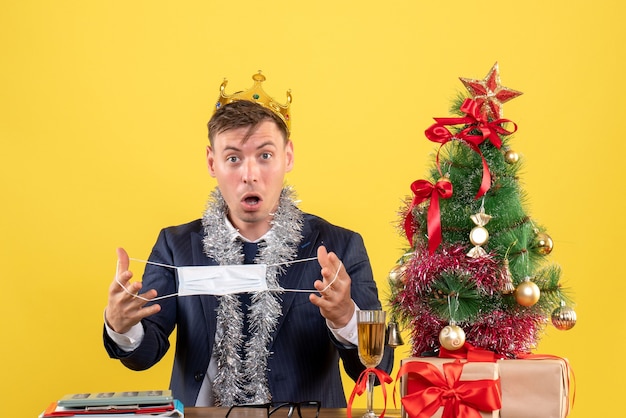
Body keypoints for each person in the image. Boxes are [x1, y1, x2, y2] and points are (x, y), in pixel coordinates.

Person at [103, 72, 394, 408]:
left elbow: (378, 365)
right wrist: (121, 326)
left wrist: (346, 318)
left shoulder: (338, 246)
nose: (250, 174)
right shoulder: (175, 245)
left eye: (265, 155)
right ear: (212, 163)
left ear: (289, 157)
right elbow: (144, 353)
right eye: (233, 158)